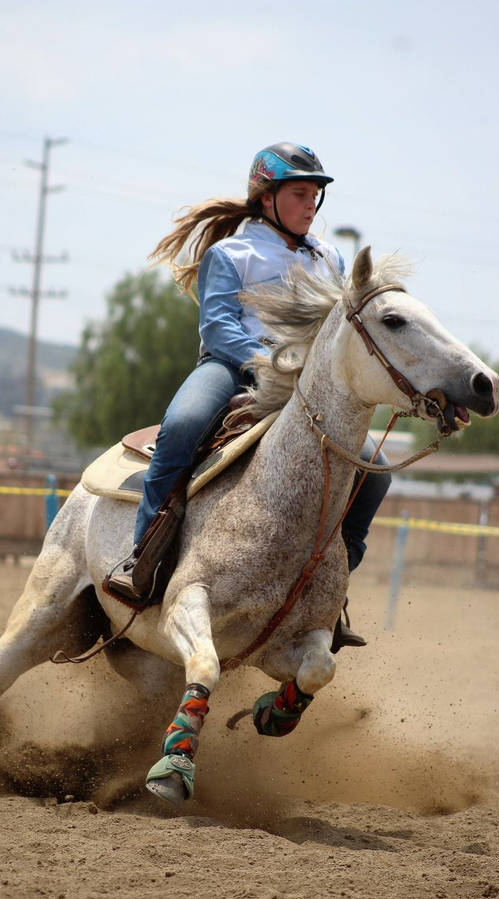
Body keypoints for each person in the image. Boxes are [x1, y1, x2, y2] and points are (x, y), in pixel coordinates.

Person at [103, 142, 391, 651]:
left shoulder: (331, 257)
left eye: (315, 195)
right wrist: (276, 362)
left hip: (307, 390)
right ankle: (141, 559)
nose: (311, 205)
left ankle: (330, 585)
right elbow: (218, 331)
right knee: (183, 426)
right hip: (232, 371)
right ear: (267, 199)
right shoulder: (230, 253)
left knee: (373, 468)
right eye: (300, 193)